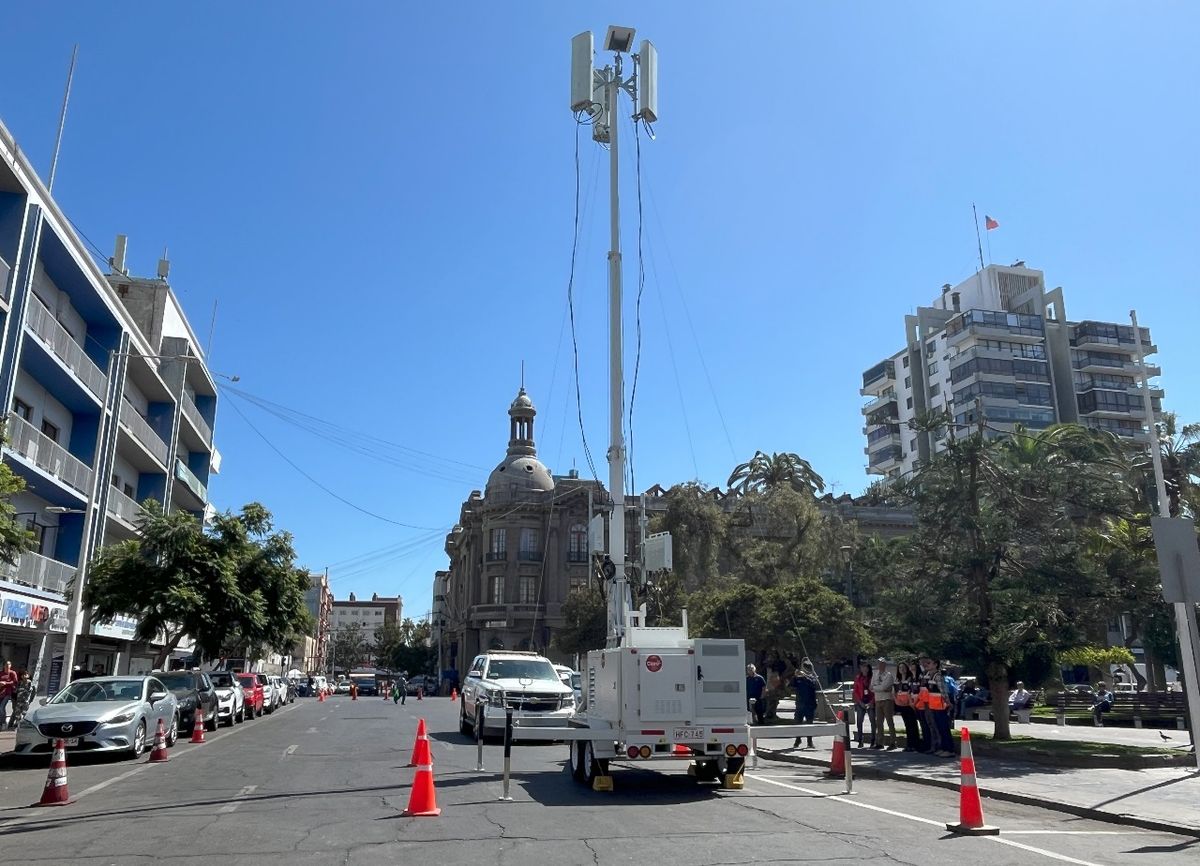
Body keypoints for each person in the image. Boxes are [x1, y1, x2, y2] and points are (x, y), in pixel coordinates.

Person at [920, 656, 954, 757]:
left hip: (941, 706)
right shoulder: (928, 676)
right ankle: (943, 748)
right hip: (933, 705)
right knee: (939, 727)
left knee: (944, 728)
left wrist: (948, 703)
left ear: (935, 665)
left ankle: (949, 749)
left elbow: (943, 691)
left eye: (929, 663)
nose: (926, 665)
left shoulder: (938, 676)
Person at [791, 660, 820, 750]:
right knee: (797, 723)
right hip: (800, 704)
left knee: (809, 724)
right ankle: (798, 739)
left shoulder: (812, 677)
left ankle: (809, 742)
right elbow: (791, 685)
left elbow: (814, 685)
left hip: (810, 705)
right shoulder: (799, 678)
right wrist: (795, 676)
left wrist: (805, 676)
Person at [870, 658, 897, 750]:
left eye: (882, 663)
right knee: (879, 722)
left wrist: (876, 688)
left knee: (890, 721)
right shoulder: (875, 675)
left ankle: (893, 742)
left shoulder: (888, 675)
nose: (880, 665)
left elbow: (884, 687)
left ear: (885, 665)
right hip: (878, 700)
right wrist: (879, 688)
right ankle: (880, 742)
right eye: (879, 663)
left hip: (887, 700)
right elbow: (871, 687)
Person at [894, 661, 921, 752]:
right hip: (901, 705)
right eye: (900, 668)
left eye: (904, 667)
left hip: (909, 704)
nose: (902, 669)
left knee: (913, 724)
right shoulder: (897, 680)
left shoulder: (910, 679)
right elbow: (895, 692)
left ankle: (915, 744)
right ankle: (909, 744)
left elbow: (911, 691)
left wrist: (909, 702)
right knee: (907, 725)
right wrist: (897, 701)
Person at [852, 661, 875, 747]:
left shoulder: (872, 678)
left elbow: (875, 691)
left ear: (868, 668)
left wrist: (871, 702)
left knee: (872, 721)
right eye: (862, 667)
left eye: (866, 667)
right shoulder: (858, 678)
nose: (864, 669)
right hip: (861, 702)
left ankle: (873, 740)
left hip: (870, 701)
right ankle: (860, 740)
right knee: (859, 721)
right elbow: (856, 691)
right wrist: (860, 702)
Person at [0, 661, 17, 729]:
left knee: (1, 708)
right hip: (0, 692)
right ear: (4, 666)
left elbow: (15, 682)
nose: (7, 666)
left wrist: (6, 683)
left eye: (9, 665)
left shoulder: (12, 673)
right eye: (6, 665)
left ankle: (3, 723)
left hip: (7, 693)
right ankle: (1, 723)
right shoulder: (1, 673)